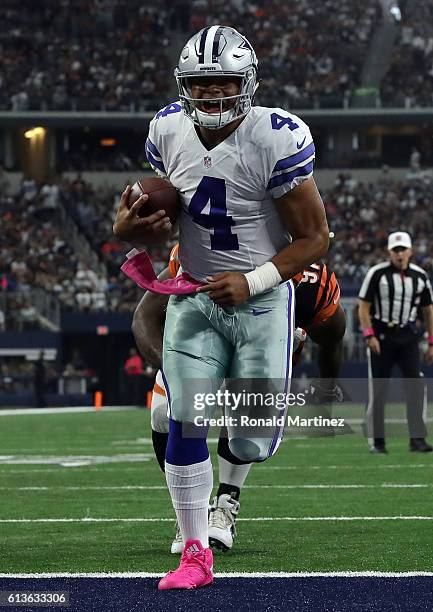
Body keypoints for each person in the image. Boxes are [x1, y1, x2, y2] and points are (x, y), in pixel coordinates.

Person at [114, 25, 329, 590]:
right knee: (183, 415)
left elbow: (314, 239)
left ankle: (229, 491)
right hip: (193, 292)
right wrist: (129, 227)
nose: (211, 96)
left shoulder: (275, 136)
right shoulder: (166, 128)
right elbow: (155, 217)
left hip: (259, 301)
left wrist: (253, 279)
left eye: (224, 84)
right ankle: (193, 555)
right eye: (200, 85)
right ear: (185, 86)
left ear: (247, 82)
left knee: (251, 436)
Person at [131, 244, 345, 553]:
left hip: (257, 353)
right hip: (197, 343)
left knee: (245, 421)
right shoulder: (202, 255)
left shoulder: (310, 284)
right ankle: (191, 509)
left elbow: (334, 334)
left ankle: (226, 505)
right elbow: (144, 318)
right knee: (164, 414)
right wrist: (178, 370)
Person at [358, 231, 433, 454]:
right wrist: (369, 335)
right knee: (379, 390)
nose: (399, 254)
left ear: (410, 251)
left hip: (408, 337)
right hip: (382, 336)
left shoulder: (420, 276)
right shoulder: (377, 273)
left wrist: (431, 342)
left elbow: (429, 311)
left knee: (415, 388)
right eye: (395, 250)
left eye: (403, 250)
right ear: (389, 252)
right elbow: (363, 306)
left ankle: (417, 440)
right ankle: (377, 442)